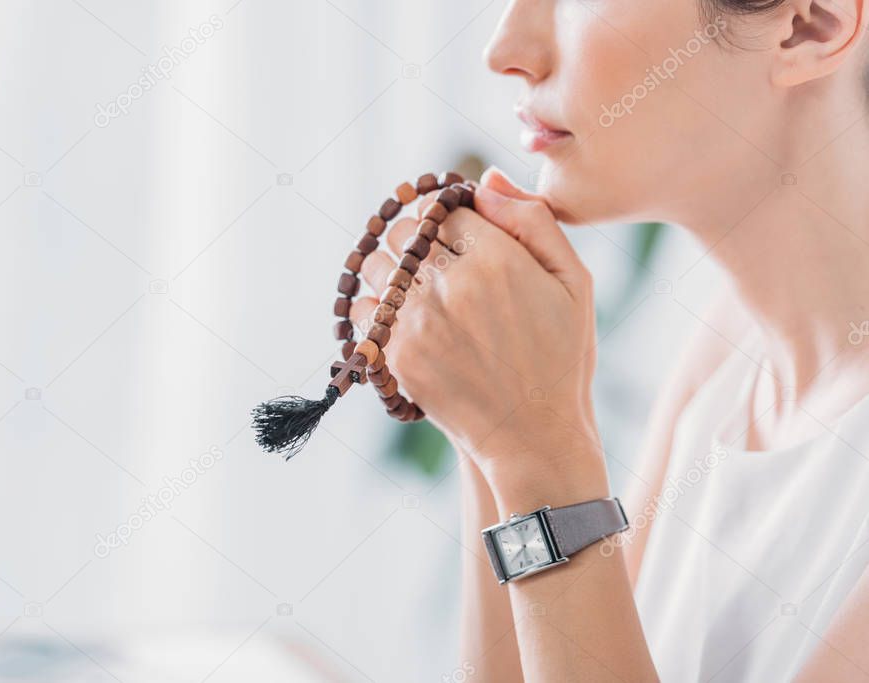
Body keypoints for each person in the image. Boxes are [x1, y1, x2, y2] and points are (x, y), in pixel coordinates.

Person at [348, 0, 869, 680]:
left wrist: (539, 460)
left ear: (810, 25)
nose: (506, 48)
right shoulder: (730, 351)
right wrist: (493, 426)